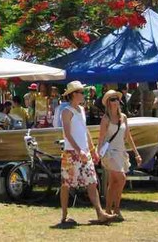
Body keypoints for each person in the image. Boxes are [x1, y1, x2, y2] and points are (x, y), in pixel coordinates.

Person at [59, 81, 116, 225]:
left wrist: (92, 150)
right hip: (71, 153)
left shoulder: (81, 110)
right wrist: (79, 151)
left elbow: (85, 131)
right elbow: (67, 134)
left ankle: (100, 213)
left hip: (84, 153)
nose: (83, 95)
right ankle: (64, 215)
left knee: (92, 182)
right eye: (81, 92)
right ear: (73, 95)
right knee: (66, 184)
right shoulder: (66, 112)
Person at [98, 90, 142, 220]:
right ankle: (116, 208)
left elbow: (128, 136)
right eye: (112, 99)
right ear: (108, 103)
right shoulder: (105, 119)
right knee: (121, 178)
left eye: (116, 99)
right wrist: (98, 154)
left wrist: (136, 153)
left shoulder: (123, 117)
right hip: (110, 152)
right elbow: (101, 139)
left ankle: (108, 210)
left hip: (121, 151)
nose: (116, 101)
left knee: (113, 181)